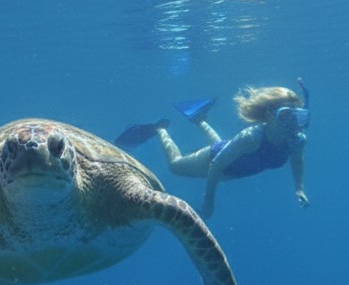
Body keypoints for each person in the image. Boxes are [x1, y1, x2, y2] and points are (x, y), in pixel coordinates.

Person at [119, 83, 310, 220]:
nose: (293, 124)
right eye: (286, 116)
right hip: (215, 158)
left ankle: (199, 118)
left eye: (299, 117)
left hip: (233, 162)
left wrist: (299, 188)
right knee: (175, 166)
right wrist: (209, 202)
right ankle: (160, 128)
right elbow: (217, 164)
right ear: (269, 115)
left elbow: (297, 161)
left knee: (229, 148)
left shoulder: (296, 141)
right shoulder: (251, 137)